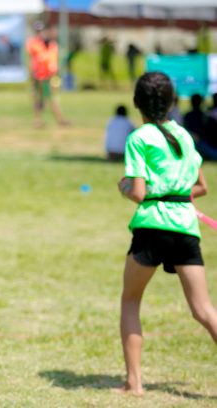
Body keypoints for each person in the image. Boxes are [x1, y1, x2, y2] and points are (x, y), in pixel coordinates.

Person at [116, 71, 217, 395]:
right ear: (172, 102)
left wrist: (124, 188)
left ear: (137, 102)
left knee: (131, 300)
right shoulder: (185, 136)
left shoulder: (140, 137)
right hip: (185, 227)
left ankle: (134, 383)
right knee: (203, 310)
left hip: (151, 228)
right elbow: (201, 187)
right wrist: (174, 194)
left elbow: (139, 194)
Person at [25, 22, 69, 128]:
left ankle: (51, 120)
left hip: (49, 75)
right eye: (38, 31)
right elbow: (37, 58)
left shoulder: (50, 44)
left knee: (48, 98)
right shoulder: (34, 43)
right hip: (39, 76)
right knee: (44, 99)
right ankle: (54, 120)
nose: (40, 33)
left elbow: (51, 58)